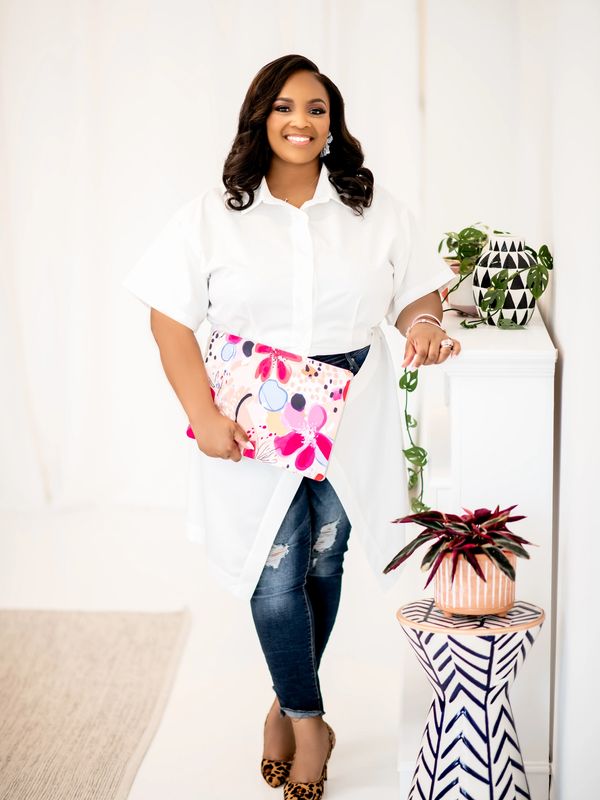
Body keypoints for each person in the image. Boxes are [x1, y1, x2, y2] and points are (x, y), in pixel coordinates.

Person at [122, 54, 461, 800]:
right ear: (260, 118)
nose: (300, 121)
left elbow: (416, 292)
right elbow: (168, 317)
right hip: (255, 418)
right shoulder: (215, 214)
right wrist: (203, 416)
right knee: (274, 575)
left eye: (315, 108)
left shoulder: (373, 210)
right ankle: (310, 724)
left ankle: (283, 703)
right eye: (283, 107)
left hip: (351, 409)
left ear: (333, 123)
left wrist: (426, 323)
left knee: (324, 563)